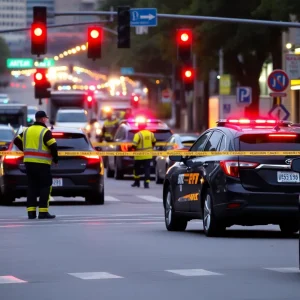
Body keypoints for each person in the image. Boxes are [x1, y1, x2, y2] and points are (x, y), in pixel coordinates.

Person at [13, 111, 58, 220]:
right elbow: (53, 145)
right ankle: (43, 212)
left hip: (29, 163)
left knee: (32, 187)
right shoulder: (45, 131)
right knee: (45, 186)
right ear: (42, 119)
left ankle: (31, 213)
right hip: (42, 164)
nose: (46, 120)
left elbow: (16, 140)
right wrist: (55, 159)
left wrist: (25, 150)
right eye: (45, 119)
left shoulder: (27, 130)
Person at [131, 120, 156, 188]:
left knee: (136, 169)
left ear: (139, 126)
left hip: (139, 156)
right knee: (147, 169)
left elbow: (134, 145)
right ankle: (146, 183)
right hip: (148, 155)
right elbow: (154, 142)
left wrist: (131, 150)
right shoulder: (151, 134)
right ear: (145, 126)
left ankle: (137, 182)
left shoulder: (137, 135)